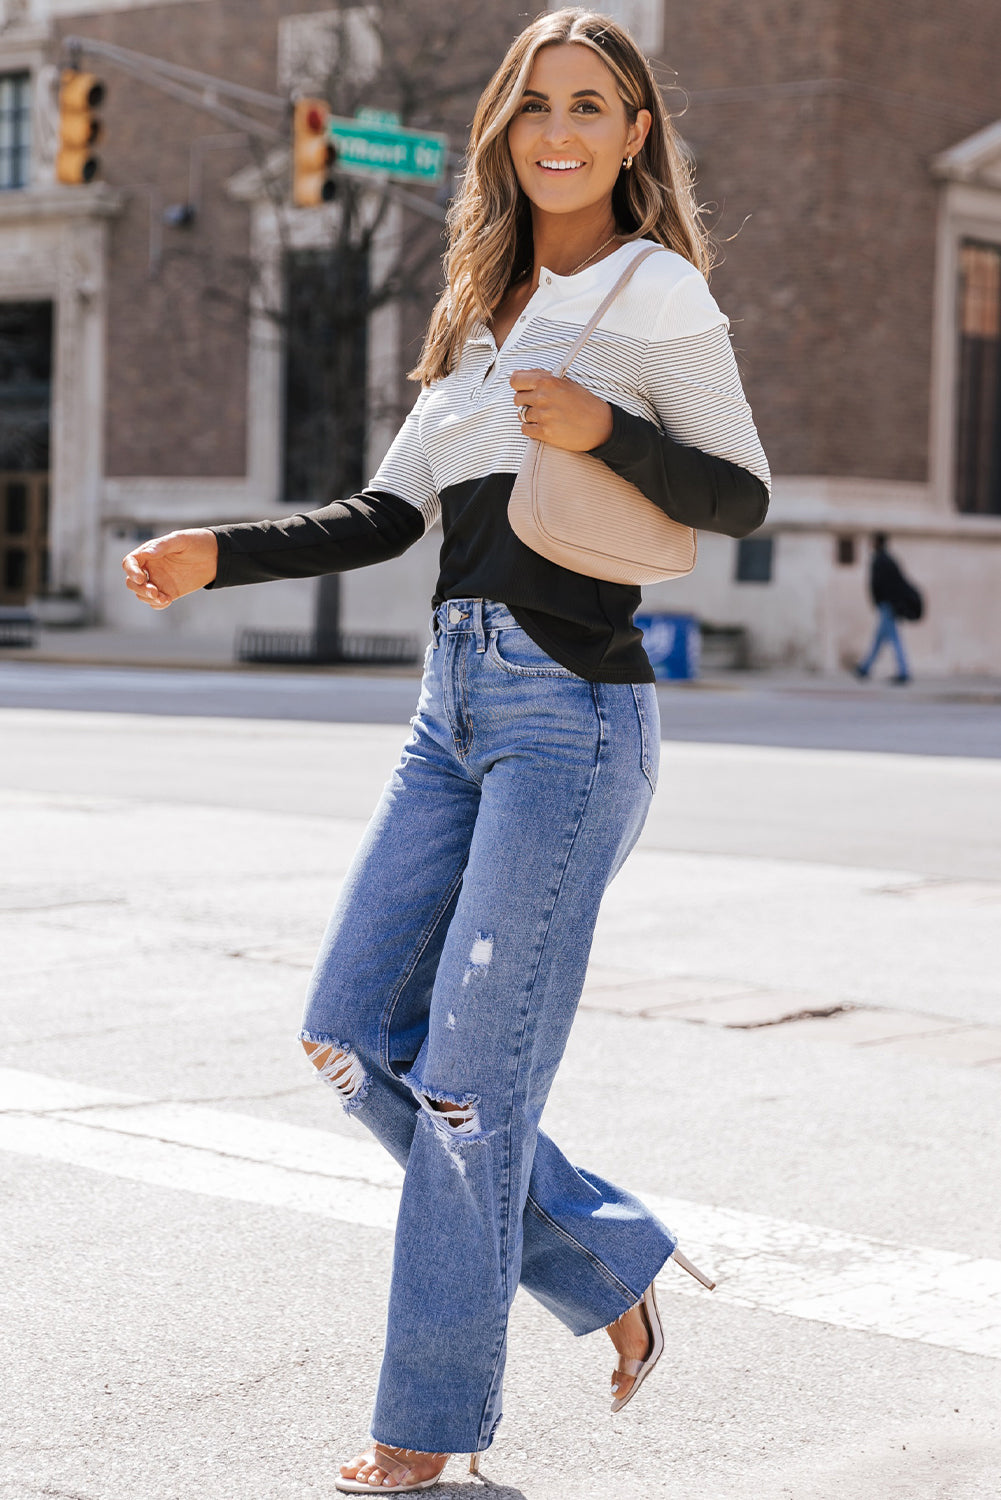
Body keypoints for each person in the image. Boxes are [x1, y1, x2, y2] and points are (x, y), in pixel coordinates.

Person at [122, 9, 770, 1492]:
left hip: (572, 716)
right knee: (350, 1034)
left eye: (592, 104)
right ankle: (604, 1259)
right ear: (503, 129)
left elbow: (738, 493)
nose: (560, 127)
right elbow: (387, 514)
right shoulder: (476, 303)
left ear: (633, 134)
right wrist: (216, 551)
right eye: (535, 102)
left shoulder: (652, 290)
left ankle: (424, 1437)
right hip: (449, 710)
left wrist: (607, 425)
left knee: (471, 1092)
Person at [854, 532, 919, 684]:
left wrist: (879, 601)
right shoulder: (890, 560)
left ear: (877, 542)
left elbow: (878, 585)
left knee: (893, 638)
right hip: (889, 604)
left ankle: (903, 671)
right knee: (880, 639)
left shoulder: (880, 561)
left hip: (887, 605)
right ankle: (865, 667)